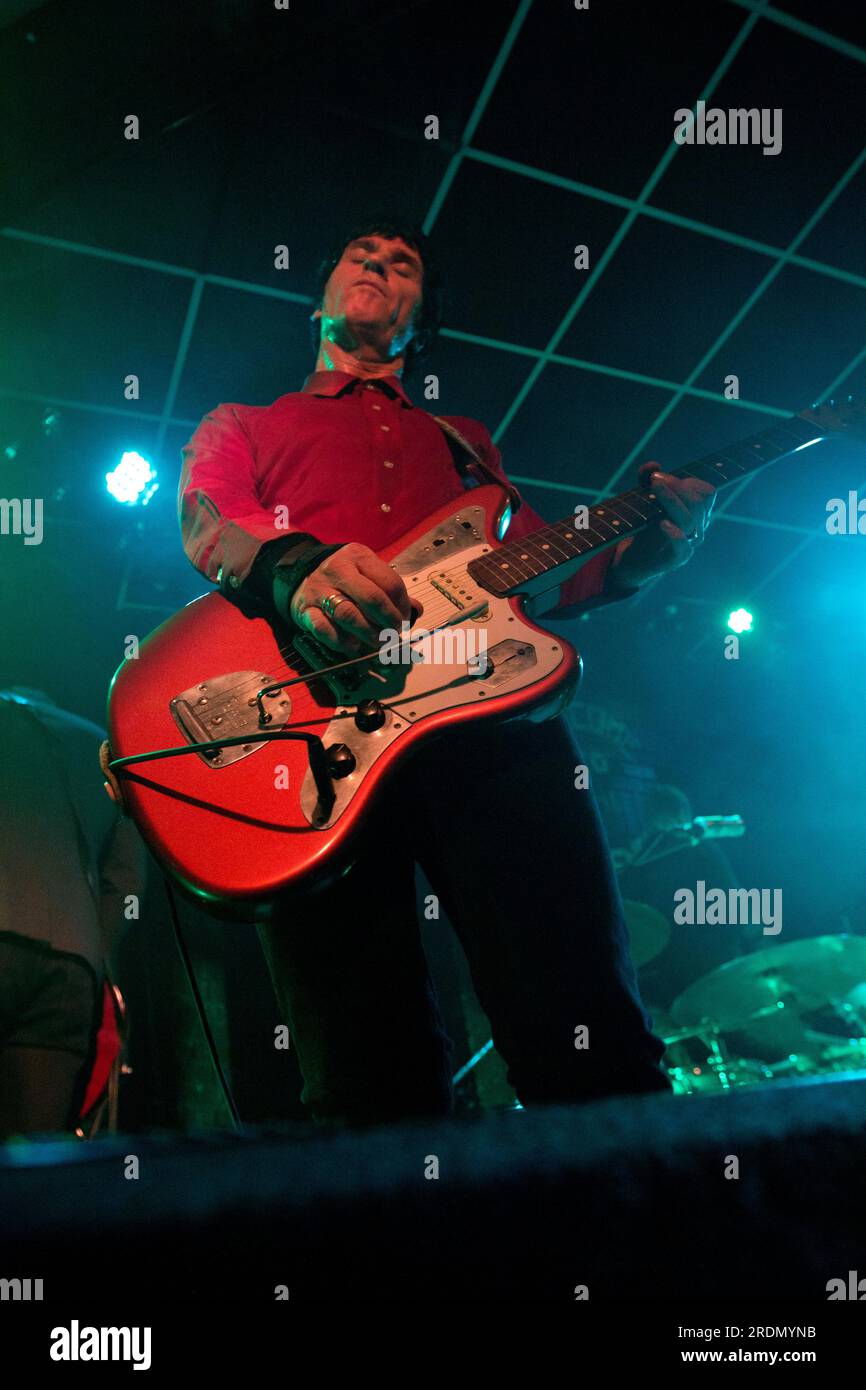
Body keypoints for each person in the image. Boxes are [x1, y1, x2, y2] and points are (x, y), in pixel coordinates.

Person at [179, 214, 716, 1127]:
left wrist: (643, 555)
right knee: (364, 1064)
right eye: (362, 255)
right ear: (321, 296)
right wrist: (296, 567)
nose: (380, 266)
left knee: (584, 1021)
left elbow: (541, 572)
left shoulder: (467, 441)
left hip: (490, 720)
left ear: (418, 319)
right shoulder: (245, 422)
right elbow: (208, 514)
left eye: (402, 265)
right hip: (318, 741)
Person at [0, 690, 146, 1137]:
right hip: (73, 967)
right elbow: (127, 883)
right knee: (40, 1155)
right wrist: (90, 949)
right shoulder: (100, 744)